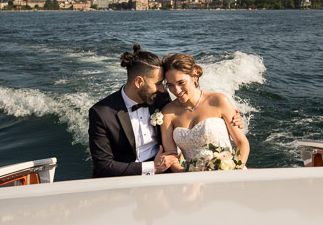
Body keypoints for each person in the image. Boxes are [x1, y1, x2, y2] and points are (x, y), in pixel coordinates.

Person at [88, 45, 243, 178]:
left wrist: (232, 118)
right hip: (124, 179)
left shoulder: (160, 98)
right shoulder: (101, 113)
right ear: (139, 82)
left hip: (166, 174)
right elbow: (103, 166)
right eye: (159, 84)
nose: (165, 90)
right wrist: (152, 168)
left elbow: (188, 113)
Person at [159, 53, 250, 171]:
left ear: (194, 76)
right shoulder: (167, 113)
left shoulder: (219, 101)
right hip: (191, 178)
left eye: (181, 83)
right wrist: (188, 174)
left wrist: (234, 170)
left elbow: (242, 143)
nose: (176, 90)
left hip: (230, 173)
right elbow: (171, 157)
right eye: (170, 85)